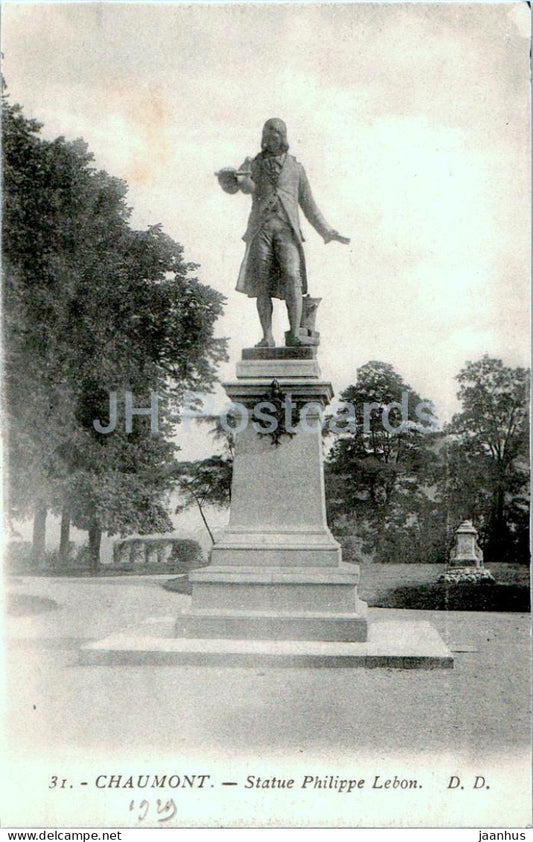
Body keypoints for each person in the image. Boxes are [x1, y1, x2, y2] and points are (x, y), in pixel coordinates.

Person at [216, 118, 349, 347]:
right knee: (262, 283)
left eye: (276, 132)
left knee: (292, 277)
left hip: (287, 231)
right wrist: (242, 178)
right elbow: (248, 189)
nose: (271, 136)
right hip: (261, 229)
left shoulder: (296, 168)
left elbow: (309, 205)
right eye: (267, 133)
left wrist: (327, 231)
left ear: (283, 136)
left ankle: (296, 333)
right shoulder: (254, 164)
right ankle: (267, 336)